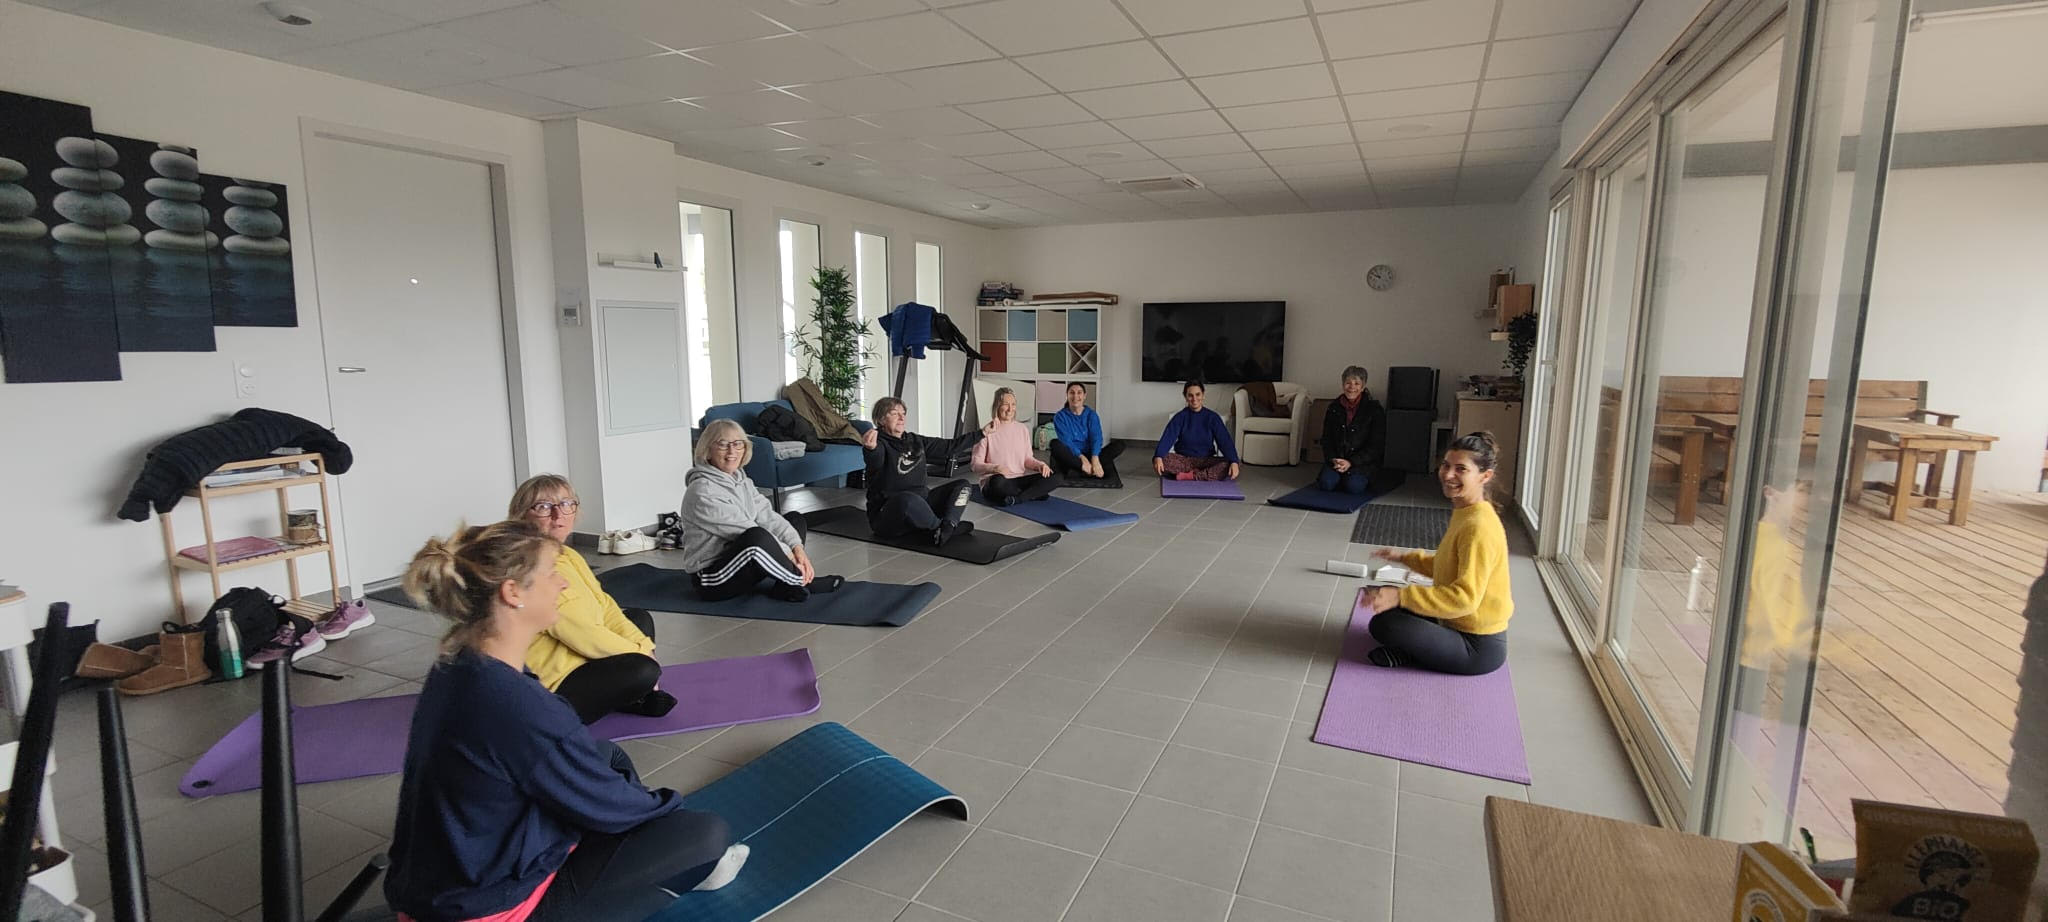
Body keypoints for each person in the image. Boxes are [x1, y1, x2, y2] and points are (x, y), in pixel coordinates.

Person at [386, 520, 748, 922]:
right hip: (487, 909)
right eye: (550, 574)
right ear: (512, 592)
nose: (562, 583)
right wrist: (667, 816)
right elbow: (616, 805)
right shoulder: (518, 706)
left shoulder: (458, 661)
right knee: (705, 835)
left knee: (607, 756)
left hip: (447, 879)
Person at [511, 475, 672, 725]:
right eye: (543, 507)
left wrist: (643, 645)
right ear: (522, 516)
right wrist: (644, 656)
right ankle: (628, 695)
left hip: (582, 656)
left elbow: (605, 604)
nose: (558, 514)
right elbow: (584, 635)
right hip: (554, 685)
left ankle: (632, 694)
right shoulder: (534, 567)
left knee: (638, 618)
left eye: (566, 504)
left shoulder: (568, 554)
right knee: (643, 669)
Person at [1363, 432, 1512, 675]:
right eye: (1446, 465)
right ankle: (1417, 650)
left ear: (1485, 476)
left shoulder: (1478, 527)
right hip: (1453, 623)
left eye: (1461, 469)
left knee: (1388, 625)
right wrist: (1402, 558)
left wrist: (1400, 596)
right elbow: (1447, 566)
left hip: (1477, 647)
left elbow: (1465, 600)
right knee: (1385, 614)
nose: (1448, 474)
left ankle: (1411, 653)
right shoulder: (1467, 512)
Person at [678, 420, 841, 603]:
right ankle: (800, 581)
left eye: (737, 444)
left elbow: (767, 516)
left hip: (741, 563)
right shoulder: (703, 490)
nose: (732, 451)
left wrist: (798, 549)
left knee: (794, 520)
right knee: (756, 536)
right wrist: (790, 556)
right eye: (723, 445)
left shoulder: (741, 480)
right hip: (713, 579)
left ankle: (786, 585)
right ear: (708, 450)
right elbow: (745, 530)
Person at [862, 396, 988, 546]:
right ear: (881, 420)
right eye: (895, 413)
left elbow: (949, 447)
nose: (901, 418)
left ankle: (949, 525)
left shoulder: (915, 441)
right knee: (907, 499)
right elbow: (875, 461)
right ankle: (940, 528)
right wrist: (871, 449)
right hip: (889, 516)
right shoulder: (879, 444)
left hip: (922, 505)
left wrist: (982, 433)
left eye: (903, 413)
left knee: (963, 486)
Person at [973, 387, 1063, 505]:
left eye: (1013, 404)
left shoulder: (1022, 429)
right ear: (997, 406)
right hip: (997, 481)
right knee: (997, 482)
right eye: (1006, 404)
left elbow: (1027, 459)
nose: (1010, 409)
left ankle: (1018, 498)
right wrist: (994, 468)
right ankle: (1032, 493)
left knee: (1057, 477)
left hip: (1017, 480)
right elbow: (975, 465)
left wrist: (1040, 465)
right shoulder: (986, 431)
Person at [1152, 381, 1240, 481]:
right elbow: (1168, 437)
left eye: (1198, 394)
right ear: (1185, 397)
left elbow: (1224, 441)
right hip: (1184, 460)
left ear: (1203, 395)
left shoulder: (1213, 417)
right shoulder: (1180, 417)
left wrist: (1234, 461)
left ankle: (1191, 476)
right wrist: (1158, 456)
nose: (1194, 399)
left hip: (1205, 460)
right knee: (1163, 460)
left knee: (1230, 463)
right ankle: (1203, 475)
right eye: (1190, 395)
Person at [1319, 365, 1386, 495]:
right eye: (1348, 383)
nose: (1352, 387)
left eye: (1356, 383)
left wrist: (1351, 462)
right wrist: (1333, 459)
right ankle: (1340, 475)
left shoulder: (1374, 410)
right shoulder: (1334, 407)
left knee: (1354, 487)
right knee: (1326, 483)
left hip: (1362, 463)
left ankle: (1349, 477)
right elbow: (1326, 438)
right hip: (1337, 460)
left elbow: (1376, 446)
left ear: (1363, 387)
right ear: (1343, 384)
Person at [1050, 381, 1123, 480]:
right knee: (1054, 444)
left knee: (1120, 444)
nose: (1075, 396)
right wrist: (1081, 457)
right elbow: (1066, 441)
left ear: (1084, 396)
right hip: (1073, 455)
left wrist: (1095, 458)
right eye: (1072, 393)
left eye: (1079, 393)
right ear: (1067, 395)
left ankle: (1084, 470)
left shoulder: (1091, 415)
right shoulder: (1060, 417)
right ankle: (1086, 469)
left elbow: (1096, 438)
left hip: (1091, 453)